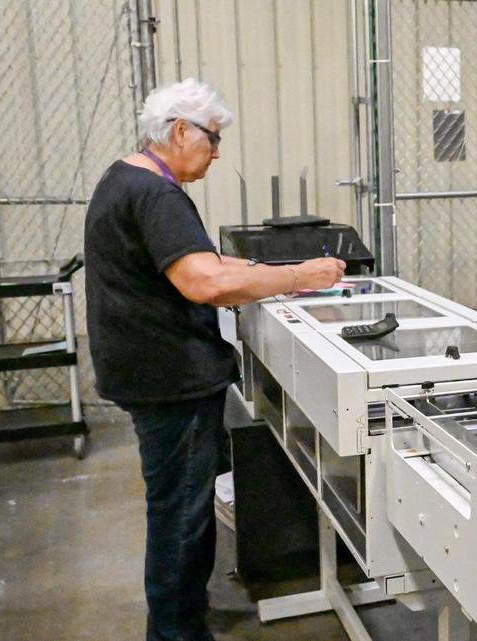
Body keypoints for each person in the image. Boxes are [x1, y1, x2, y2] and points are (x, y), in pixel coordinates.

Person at [84, 78, 345, 641]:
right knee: (181, 513)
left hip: (149, 372)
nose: (217, 152)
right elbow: (203, 280)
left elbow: (194, 259)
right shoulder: (156, 193)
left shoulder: (126, 176)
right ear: (180, 130)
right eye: (213, 138)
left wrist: (253, 270)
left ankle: (179, 619)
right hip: (168, 380)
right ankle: (175, 633)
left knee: (181, 504)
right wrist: (300, 276)